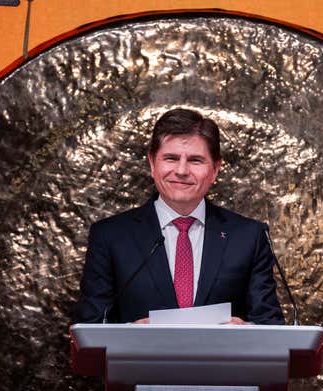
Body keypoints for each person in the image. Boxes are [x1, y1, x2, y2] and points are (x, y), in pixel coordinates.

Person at [73, 108, 284, 326]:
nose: (181, 170)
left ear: (215, 169)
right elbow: (91, 328)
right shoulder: (110, 237)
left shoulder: (249, 237)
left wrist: (247, 330)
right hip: (139, 360)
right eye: (171, 158)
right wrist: (130, 333)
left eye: (195, 160)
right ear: (153, 163)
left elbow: (271, 326)